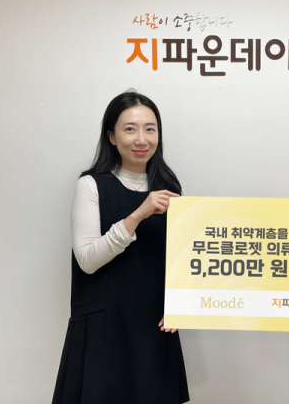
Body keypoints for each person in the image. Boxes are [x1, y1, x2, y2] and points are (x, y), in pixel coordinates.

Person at [52, 91, 190, 403]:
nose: (141, 139)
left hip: (154, 326)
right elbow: (87, 260)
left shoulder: (169, 188)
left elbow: (180, 260)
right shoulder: (91, 185)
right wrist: (138, 214)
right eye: (130, 129)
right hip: (104, 327)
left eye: (150, 129)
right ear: (112, 137)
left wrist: (180, 307)